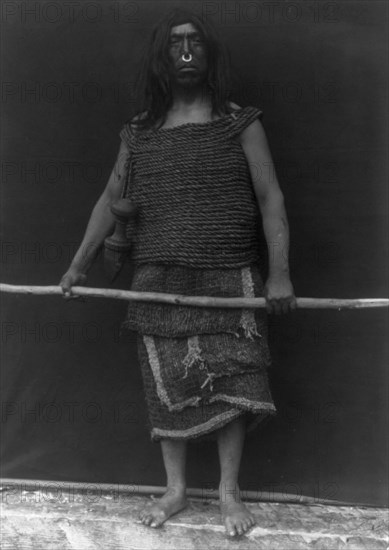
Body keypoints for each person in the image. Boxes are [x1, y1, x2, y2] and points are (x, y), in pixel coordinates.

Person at [60, 8, 296, 538]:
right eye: (174, 44)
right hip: (158, 276)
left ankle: (228, 492)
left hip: (229, 271)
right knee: (165, 385)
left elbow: (270, 198)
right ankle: (176, 490)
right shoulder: (140, 133)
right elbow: (111, 199)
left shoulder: (239, 121)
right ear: (162, 58)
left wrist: (279, 274)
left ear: (208, 54)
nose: (186, 52)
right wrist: (78, 266)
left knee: (235, 381)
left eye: (195, 42)